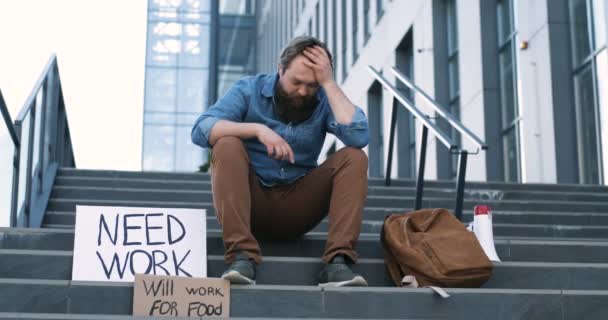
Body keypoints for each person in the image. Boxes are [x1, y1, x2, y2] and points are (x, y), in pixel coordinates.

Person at [191, 35, 370, 287]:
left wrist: (328, 84)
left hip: (298, 207)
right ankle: (241, 257)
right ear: (280, 69)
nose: (303, 91)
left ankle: (337, 263)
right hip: (251, 203)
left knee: (354, 157)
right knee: (226, 144)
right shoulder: (248, 89)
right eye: (297, 81)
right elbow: (201, 129)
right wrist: (257, 130)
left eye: (312, 85)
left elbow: (359, 136)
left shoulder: (322, 98)